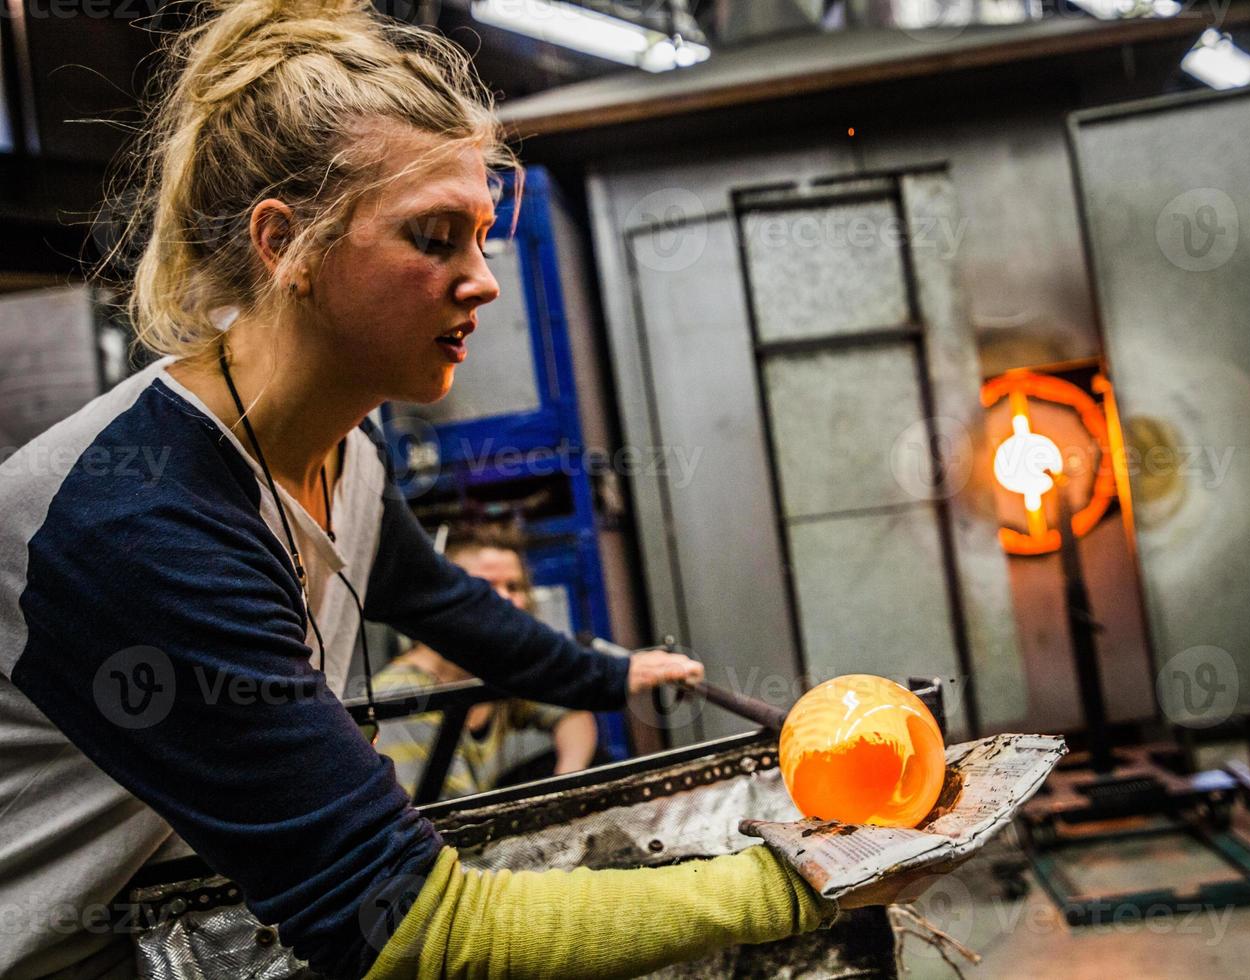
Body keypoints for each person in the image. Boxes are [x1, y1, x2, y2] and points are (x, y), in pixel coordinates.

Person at [0, 3, 853, 977]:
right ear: (287, 244)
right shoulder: (140, 519)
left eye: (483, 234)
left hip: (173, 927)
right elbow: (412, 929)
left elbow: (453, 607)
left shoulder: (343, 454)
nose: (483, 280)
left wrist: (610, 675)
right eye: (434, 237)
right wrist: (799, 881)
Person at [373, 523, 601, 801]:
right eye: (485, 587)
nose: (507, 600)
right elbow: (452, 814)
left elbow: (571, 712)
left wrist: (567, 782)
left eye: (514, 586)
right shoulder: (403, 697)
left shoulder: (497, 667)